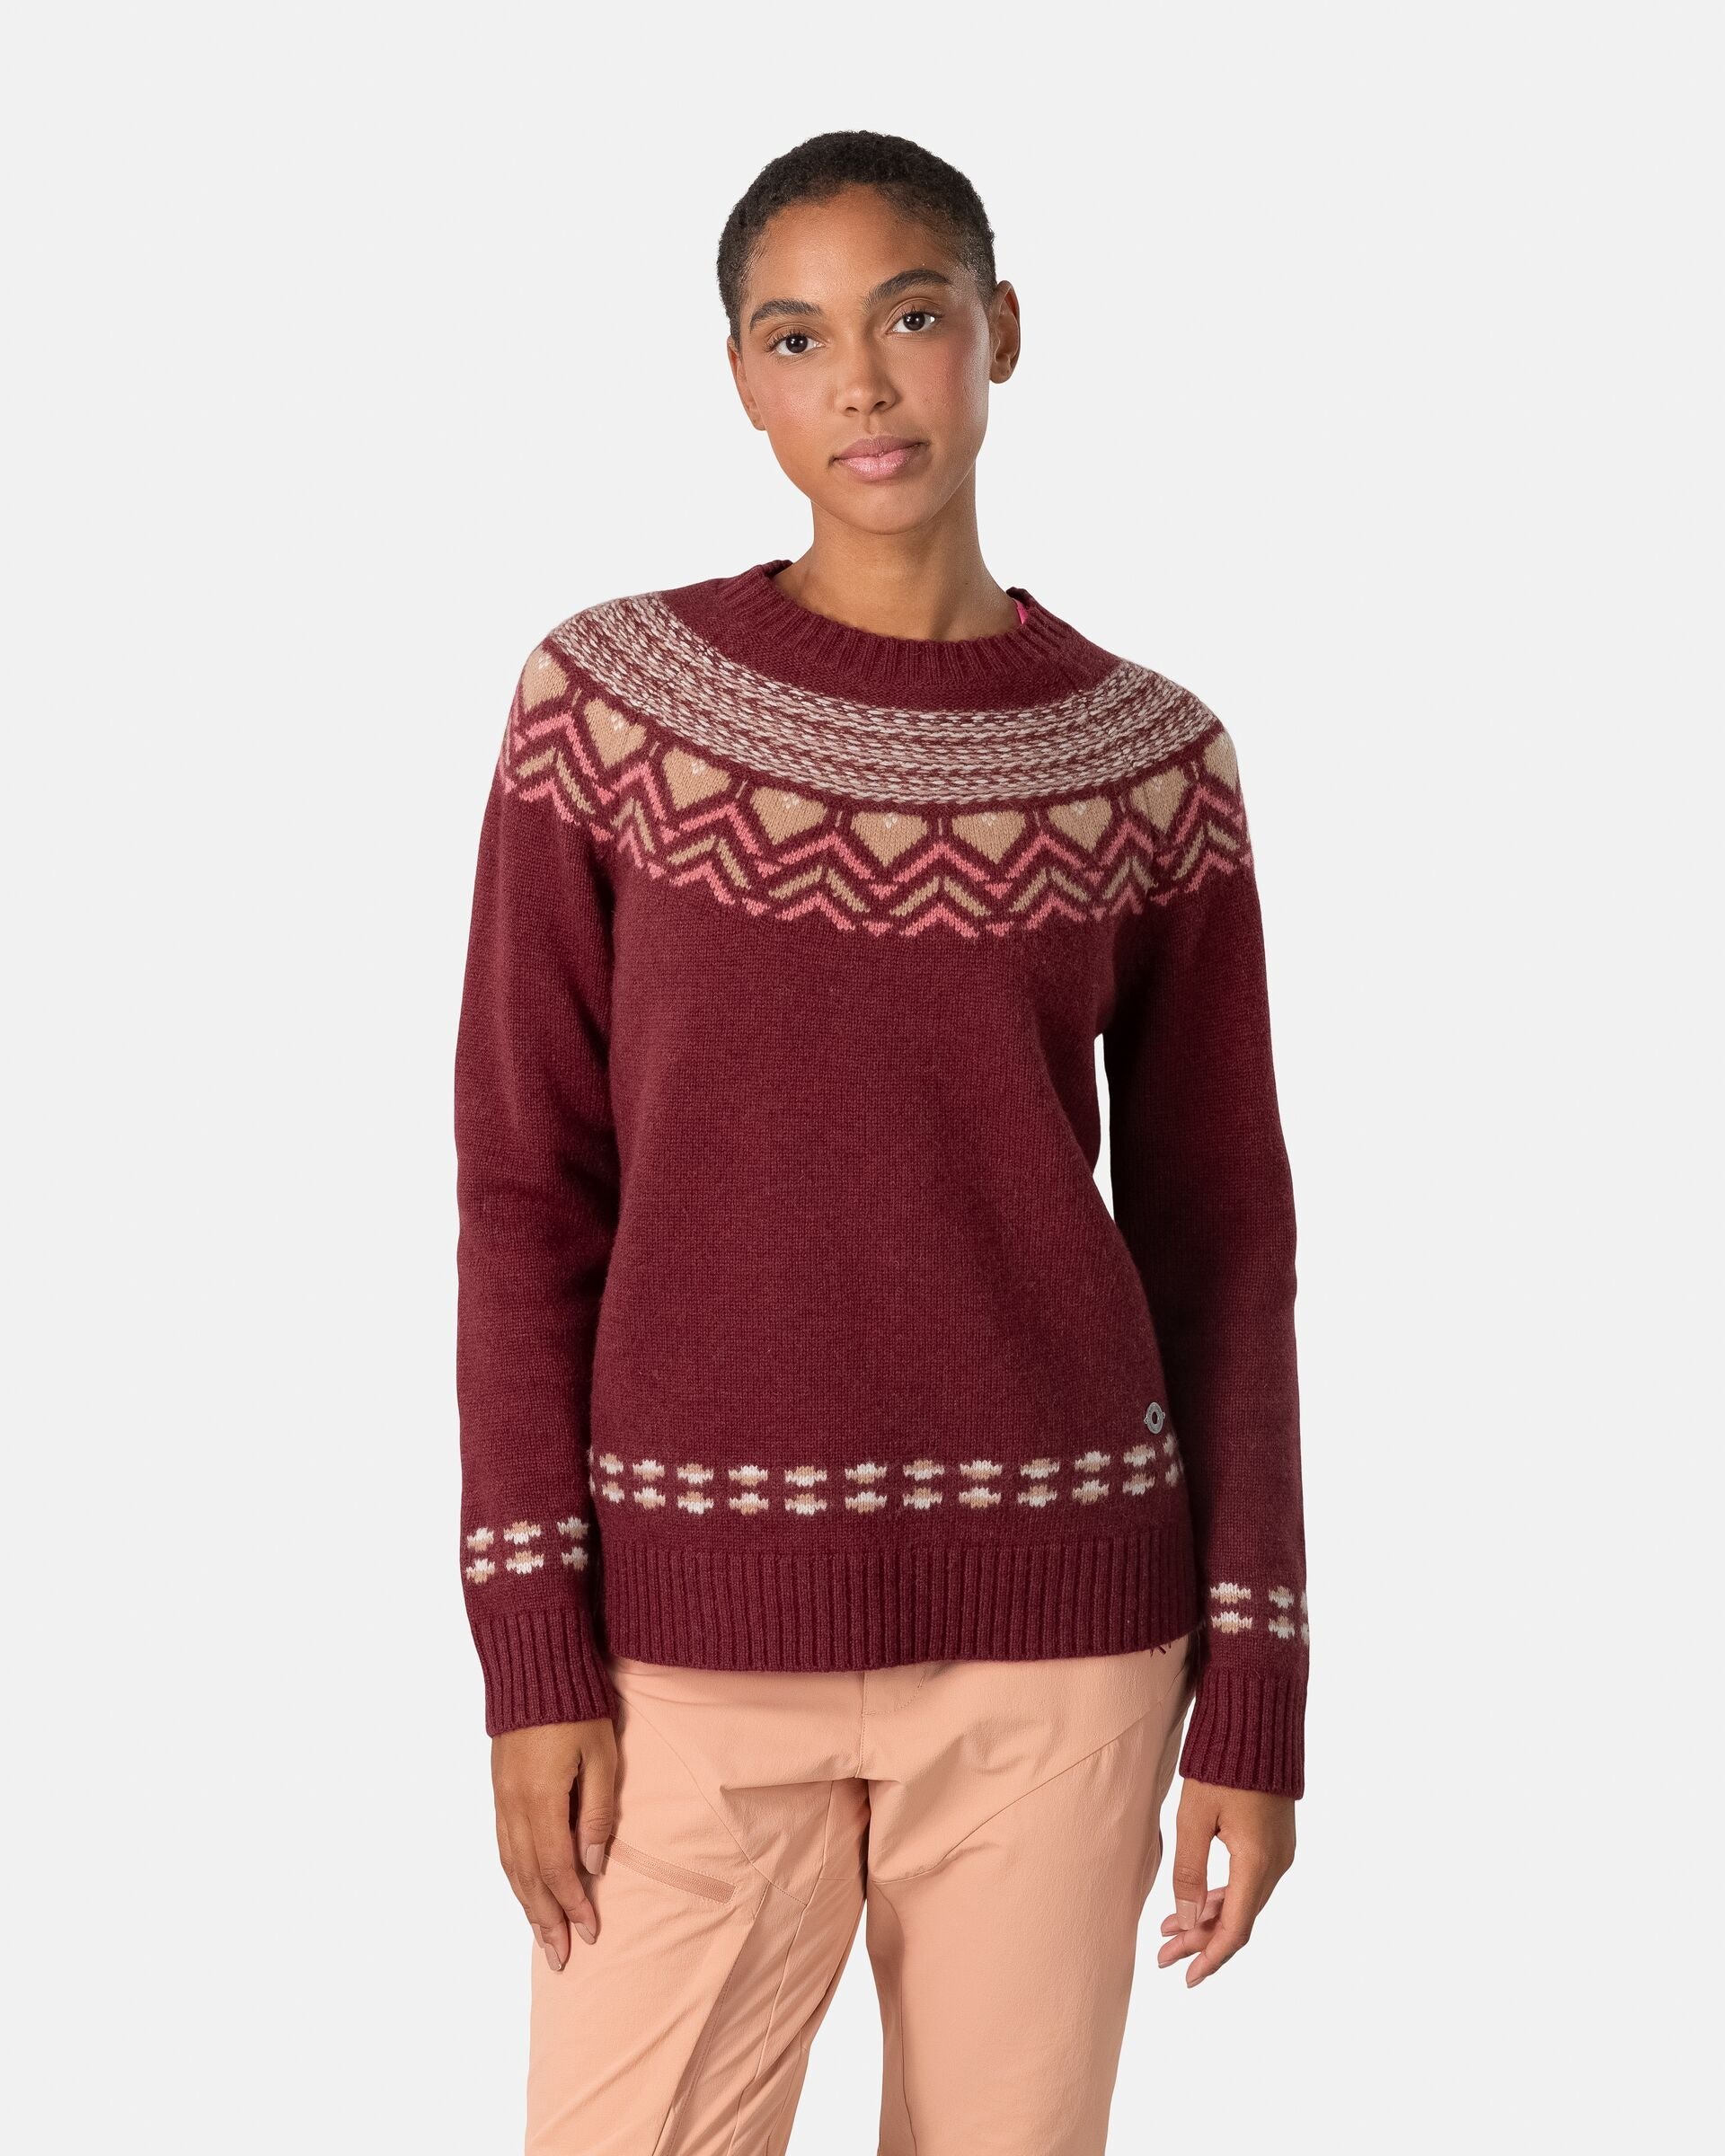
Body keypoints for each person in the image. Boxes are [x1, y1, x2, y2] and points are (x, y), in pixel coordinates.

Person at [454, 128, 1309, 2155]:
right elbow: (523, 1196)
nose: (861, 381)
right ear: (741, 382)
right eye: (797, 336)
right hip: (685, 1651)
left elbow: (1223, 1240)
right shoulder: (605, 709)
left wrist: (1258, 1689)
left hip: (1065, 1637)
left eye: (912, 316)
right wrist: (530, 1649)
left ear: (999, 332)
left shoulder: (1147, 759)